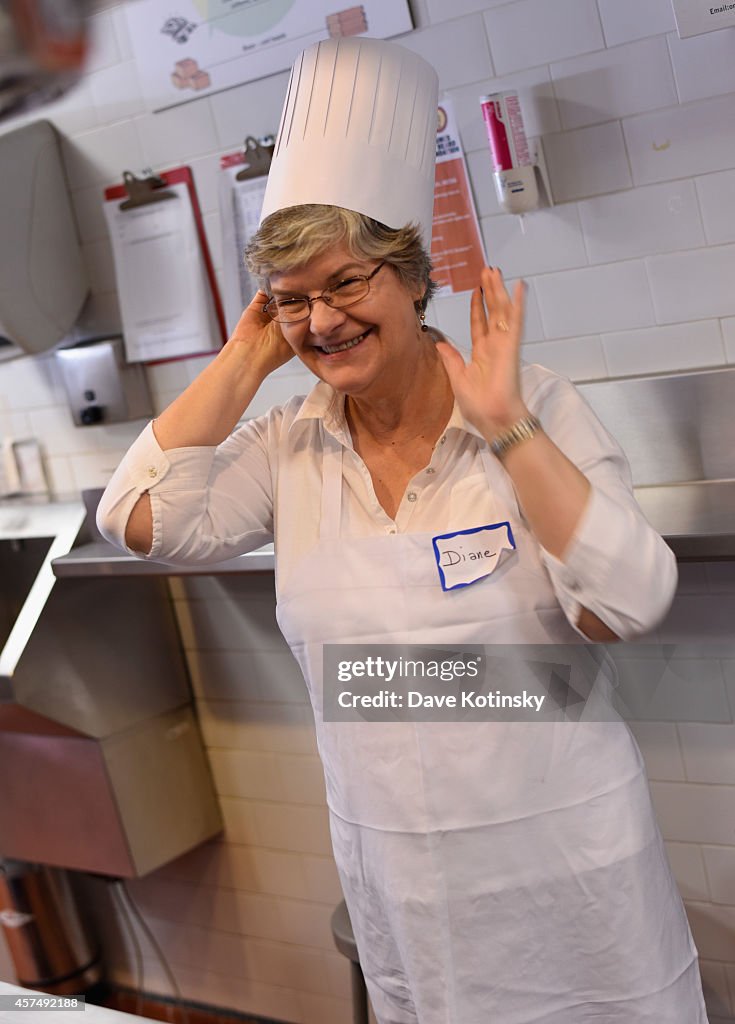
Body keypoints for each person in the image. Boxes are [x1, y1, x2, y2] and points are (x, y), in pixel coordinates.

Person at [97, 36, 707, 1024]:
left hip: (563, 868)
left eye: (347, 283)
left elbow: (628, 601)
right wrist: (250, 356)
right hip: (405, 883)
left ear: (412, 275)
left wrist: (509, 430)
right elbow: (137, 519)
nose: (323, 321)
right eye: (293, 300)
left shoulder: (522, 407)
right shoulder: (289, 444)